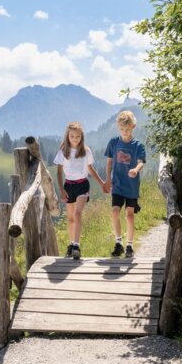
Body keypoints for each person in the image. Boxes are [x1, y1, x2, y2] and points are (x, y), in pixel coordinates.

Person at [53, 121, 108, 260]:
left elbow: (91, 169)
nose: (75, 139)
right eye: (72, 136)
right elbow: (59, 173)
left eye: (78, 136)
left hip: (83, 185)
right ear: (68, 136)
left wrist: (102, 183)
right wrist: (61, 190)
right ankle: (71, 244)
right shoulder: (63, 151)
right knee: (70, 218)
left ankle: (77, 245)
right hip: (68, 186)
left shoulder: (86, 151)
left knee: (77, 214)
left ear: (81, 136)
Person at [104, 110, 147, 258]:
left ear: (133, 127)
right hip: (117, 184)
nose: (124, 132)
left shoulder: (138, 146)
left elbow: (141, 162)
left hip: (131, 186)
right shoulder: (114, 142)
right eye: (122, 129)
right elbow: (109, 161)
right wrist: (107, 179)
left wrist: (135, 169)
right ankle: (118, 243)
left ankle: (129, 245)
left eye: (127, 129)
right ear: (118, 127)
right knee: (115, 211)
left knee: (129, 215)